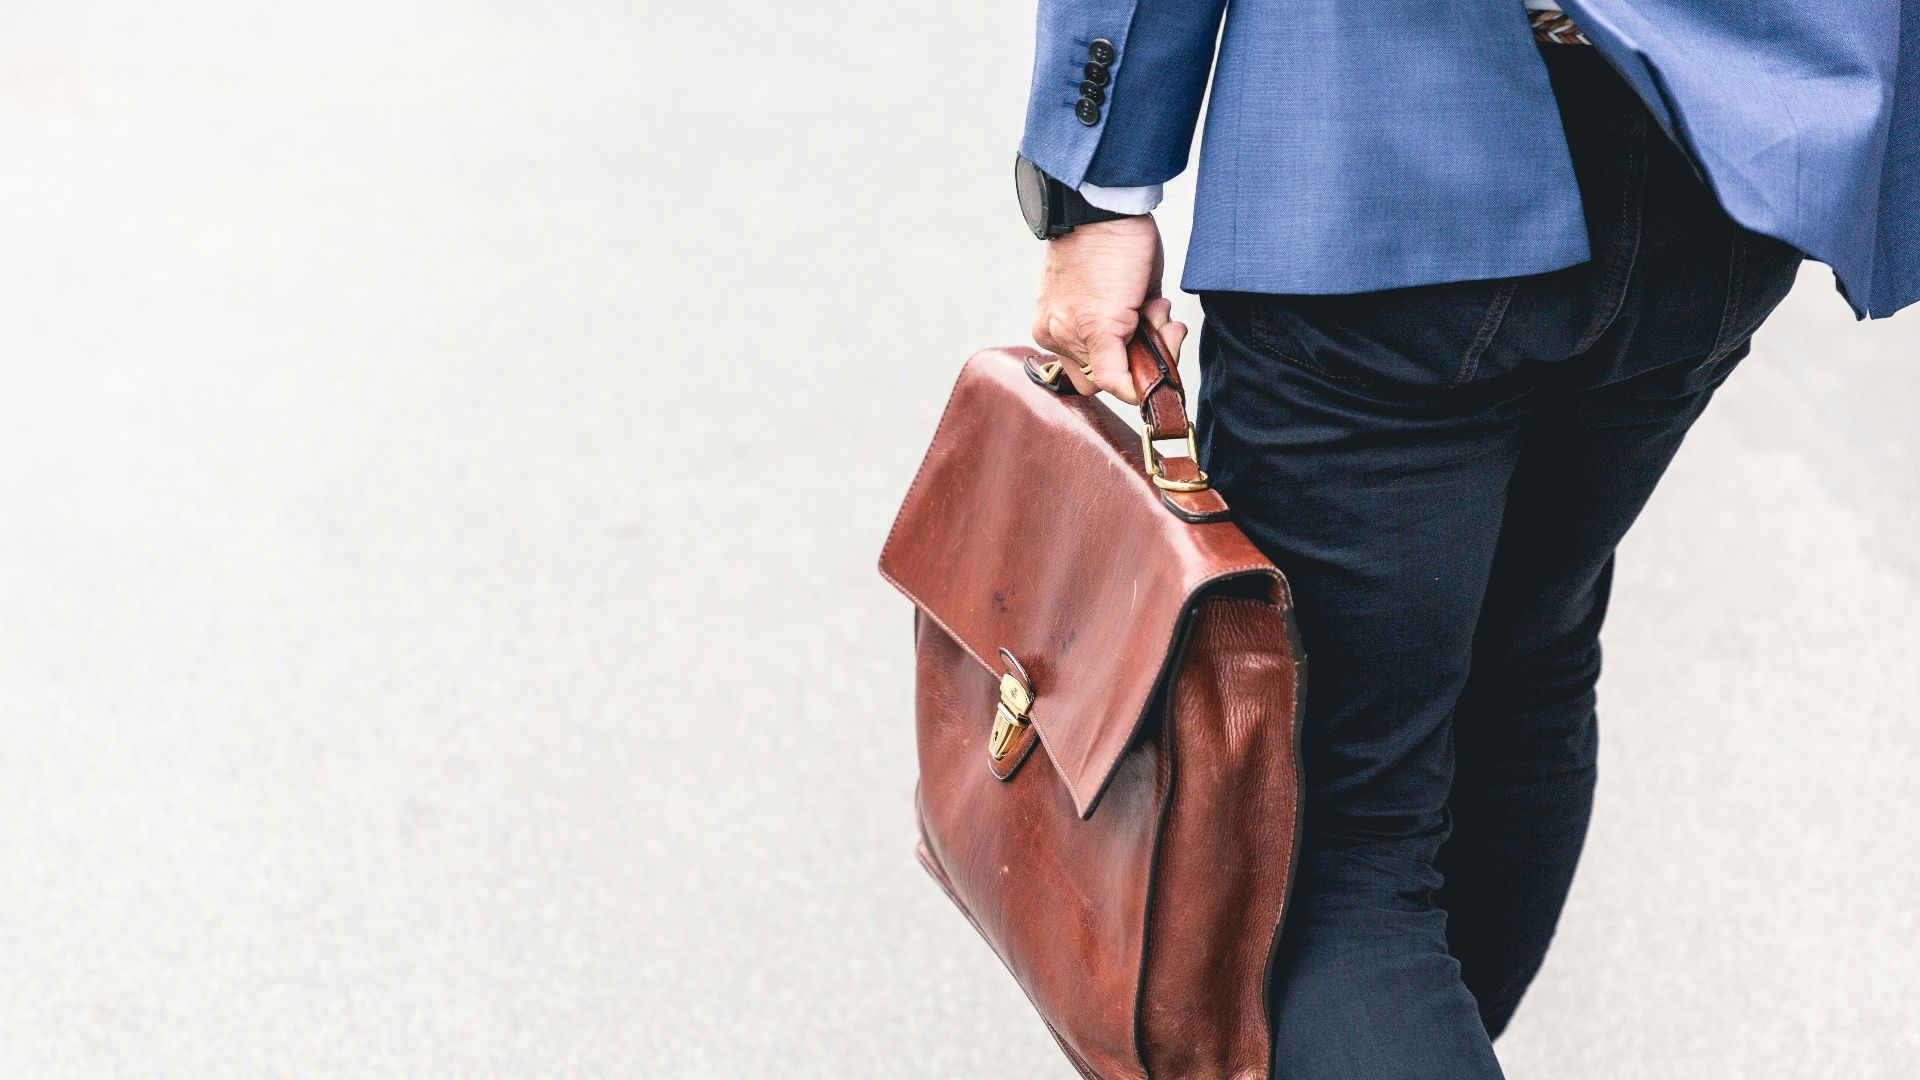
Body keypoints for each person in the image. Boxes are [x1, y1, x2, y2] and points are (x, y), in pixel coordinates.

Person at [1012, 1, 1917, 1075]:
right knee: (1523, 661)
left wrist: (1097, 185)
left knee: (1324, 826)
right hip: (1721, 162)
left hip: (1392, 157)